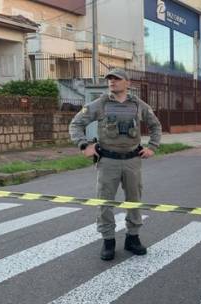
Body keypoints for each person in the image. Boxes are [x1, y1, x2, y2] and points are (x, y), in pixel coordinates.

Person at [69, 68, 162, 261]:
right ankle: (108, 241)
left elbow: (155, 125)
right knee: (105, 202)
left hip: (132, 161)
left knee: (134, 201)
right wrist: (84, 144)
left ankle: (132, 239)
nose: (112, 82)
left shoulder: (138, 105)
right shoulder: (100, 104)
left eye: (117, 79)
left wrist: (152, 146)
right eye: (110, 79)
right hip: (108, 161)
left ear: (127, 83)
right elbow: (75, 124)